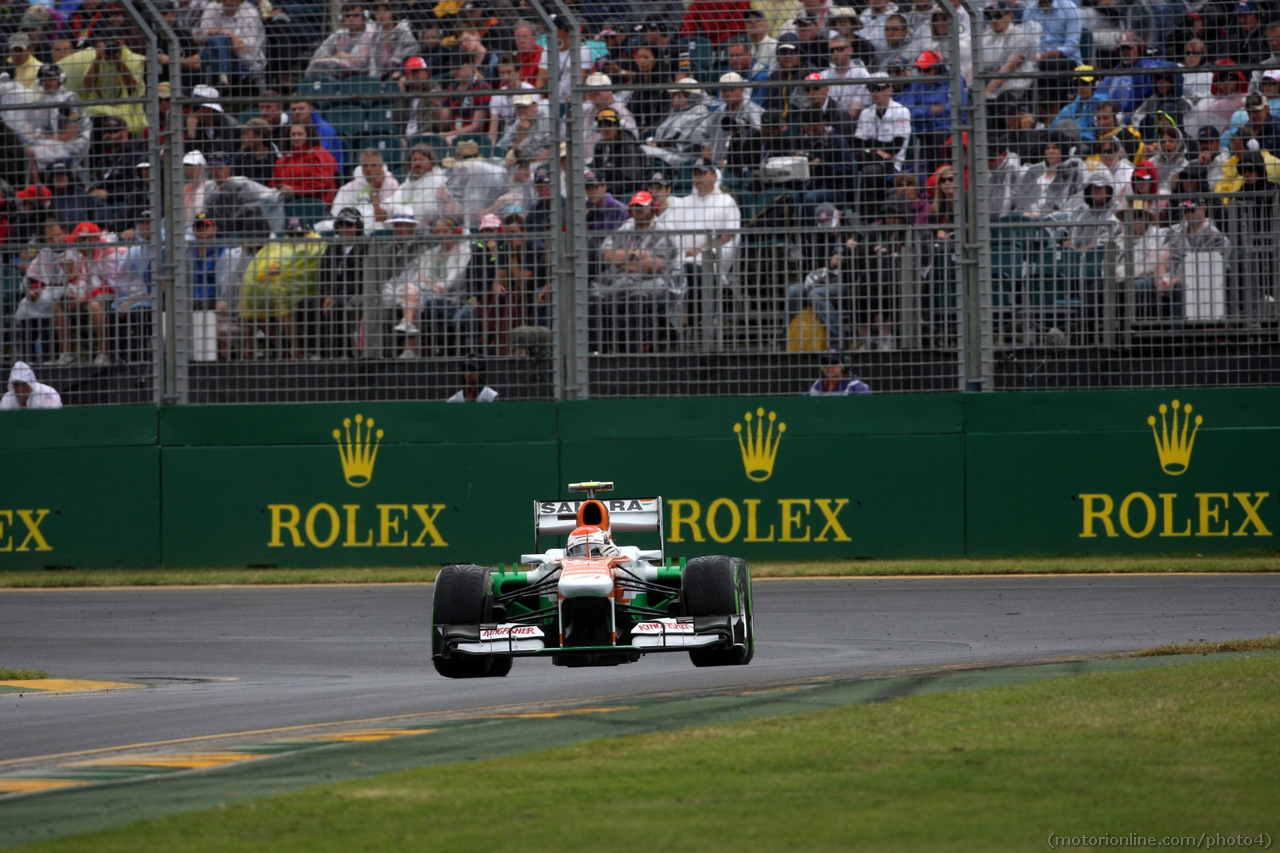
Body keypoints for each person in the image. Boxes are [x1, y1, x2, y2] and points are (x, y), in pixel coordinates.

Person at [594, 190, 680, 352]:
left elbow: (655, 266)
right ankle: (603, 349)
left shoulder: (663, 231)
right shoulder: (625, 228)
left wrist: (623, 261)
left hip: (658, 283)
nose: (638, 212)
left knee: (637, 296)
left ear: (653, 209)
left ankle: (638, 348)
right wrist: (636, 255)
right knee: (598, 295)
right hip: (624, 281)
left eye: (642, 208)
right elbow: (607, 255)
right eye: (635, 207)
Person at [196, 0, 267, 87]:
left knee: (217, 42)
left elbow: (251, 44)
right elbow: (202, 35)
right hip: (216, 53)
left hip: (242, 58)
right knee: (218, 41)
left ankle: (212, 84)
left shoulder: (249, 12)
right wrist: (226, 34)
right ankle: (223, 81)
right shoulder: (212, 8)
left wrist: (227, 39)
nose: (228, 2)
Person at [331, 148, 401, 231]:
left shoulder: (391, 184)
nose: (368, 169)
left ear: (381, 166)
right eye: (365, 165)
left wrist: (374, 192)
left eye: (373, 165)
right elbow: (338, 213)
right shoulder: (350, 187)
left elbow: (383, 218)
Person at [271, 122, 339, 205]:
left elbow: (321, 183)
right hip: (287, 201)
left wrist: (295, 189)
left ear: (308, 135)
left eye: (300, 134)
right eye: (293, 134)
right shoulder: (283, 161)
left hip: (315, 202)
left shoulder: (320, 155)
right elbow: (275, 183)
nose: (296, 138)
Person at [392, 144, 454, 224]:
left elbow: (432, 210)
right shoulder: (406, 184)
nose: (417, 163)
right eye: (414, 160)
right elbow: (392, 205)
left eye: (421, 160)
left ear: (431, 162)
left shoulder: (439, 181)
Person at [365, 0, 418, 78]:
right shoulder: (375, 37)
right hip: (380, 77)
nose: (381, 16)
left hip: (401, 75)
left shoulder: (404, 34)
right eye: (378, 12)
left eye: (385, 11)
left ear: (393, 12)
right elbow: (373, 63)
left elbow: (405, 57)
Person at [290, 100, 343, 172]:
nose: (297, 112)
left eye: (301, 108)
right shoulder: (291, 128)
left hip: (325, 171)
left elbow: (322, 157)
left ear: (311, 109)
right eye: (294, 109)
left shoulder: (324, 130)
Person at [185, 85, 240, 155]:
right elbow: (191, 158)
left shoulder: (230, 127)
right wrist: (191, 135)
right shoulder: (196, 125)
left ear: (206, 109)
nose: (191, 112)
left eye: (194, 108)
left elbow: (228, 155)